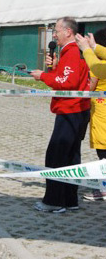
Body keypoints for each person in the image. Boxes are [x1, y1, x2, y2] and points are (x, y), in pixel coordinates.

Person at [30, 17, 90, 213]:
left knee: (56, 157)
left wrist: (43, 76)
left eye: (56, 31)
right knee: (71, 157)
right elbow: (67, 76)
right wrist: (55, 67)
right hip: (77, 110)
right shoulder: (72, 52)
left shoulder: (72, 51)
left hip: (70, 110)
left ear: (68, 32)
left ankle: (54, 201)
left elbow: (68, 82)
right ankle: (70, 200)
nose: (54, 35)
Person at [76, 29, 106, 200]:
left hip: (102, 113)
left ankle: (103, 189)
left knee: (103, 151)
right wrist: (94, 46)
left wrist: (87, 49)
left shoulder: (99, 65)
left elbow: (95, 72)